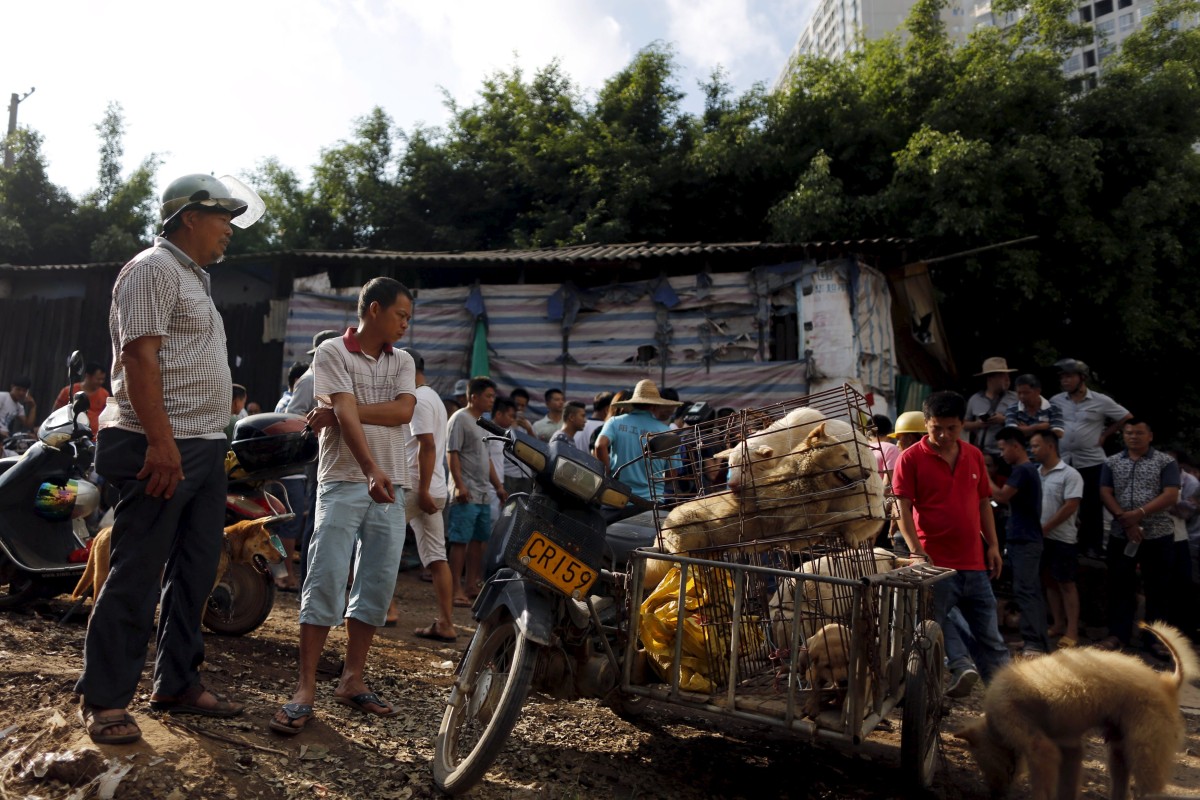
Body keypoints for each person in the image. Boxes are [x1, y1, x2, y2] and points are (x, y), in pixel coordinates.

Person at [76, 174, 258, 745]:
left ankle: (177, 681)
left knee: (197, 571)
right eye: (221, 217)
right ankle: (104, 699)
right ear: (188, 218)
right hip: (161, 443)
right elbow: (139, 357)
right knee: (137, 569)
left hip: (203, 444)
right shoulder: (151, 268)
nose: (229, 228)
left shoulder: (194, 279)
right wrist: (160, 442)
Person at [271, 277, 417, 735]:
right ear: (374, 310)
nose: (406, 325)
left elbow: (404, 413)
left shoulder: (404, 360)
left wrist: (344, 411)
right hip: (345, 480)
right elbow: (374, 410)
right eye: (401, 315)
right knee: (326, 576)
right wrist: (369, 464)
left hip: (393, 485)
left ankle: (352, 679)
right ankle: (306, 687)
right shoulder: (332, 351)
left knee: (375, 582)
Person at [891, 391, 1009, 697]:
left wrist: (993, 546)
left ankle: (1010, 701)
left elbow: (984, 502)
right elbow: (901, 508)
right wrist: (916, 551)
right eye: (936, 428)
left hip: (975, 564)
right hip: (935, 566)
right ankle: (926, 698)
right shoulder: (910, 458)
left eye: (951, 428)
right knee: (930, 634)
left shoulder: (973, 455)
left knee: (991, 639)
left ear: (962, 426)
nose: (943, 435)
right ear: (927, 424)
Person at [384, 348, 456, 643]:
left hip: (416, 488)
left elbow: (427, 445)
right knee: (437, 557)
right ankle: (447, 623)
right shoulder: (433, 397)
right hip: (429, 488)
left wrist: (423, 490)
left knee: (380, 544)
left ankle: (387, 610)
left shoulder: (420, 400)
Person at [1096, 418, 1181, 653]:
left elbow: (1171, 494)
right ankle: (1117, 635)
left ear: (1150, 436)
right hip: (1121, 532)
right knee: (1120, 585)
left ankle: (1155, 639)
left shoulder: (1165, 462)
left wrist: (1139, 513)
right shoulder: (1112, 462)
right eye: (1129, 433)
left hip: (1157, 534)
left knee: (1158, 588)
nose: (1134, 437)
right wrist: (1125, 518)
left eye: (1139, 433)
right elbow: (1105, 491)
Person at [1051, 358, 1132, 558]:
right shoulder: (1056, 400)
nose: (1065, 381)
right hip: (1065, 459)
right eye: (1062, 377)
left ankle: (1093, 546)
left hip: (1091, 460)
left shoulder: (1100, 400)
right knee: (1062, 502)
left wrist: (1106, 434)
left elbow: (1126, 417)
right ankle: (1066, 542)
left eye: (1069, 376)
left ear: (1082, 378)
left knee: (1091, 504)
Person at [446, 377, 508, 608]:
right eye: (488, 396)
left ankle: (471, 584)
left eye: (493, 396)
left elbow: (487, 458)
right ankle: (455, 589)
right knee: (460, 541)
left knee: (479, 540)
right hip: (466, 491)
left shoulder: (483, 422)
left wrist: (498, 486)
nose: (492, 400)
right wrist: (459, 485)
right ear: (473, 397)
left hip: (483, 492)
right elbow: (452, 454)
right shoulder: (459, 418)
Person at [287, 330, 341, 586]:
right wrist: (316, 426)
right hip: (317, 460)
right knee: (316, 520)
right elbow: (292, 416)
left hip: (331, 458)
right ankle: (308, 579)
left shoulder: (330, 376)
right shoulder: (310, 379)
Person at [992, 427, 1049, 655]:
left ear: (1016, 446)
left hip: (1025, 540)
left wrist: (980, 474)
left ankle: (1035, 644)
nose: (1002, 454)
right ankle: (1034, 640)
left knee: (1026, 591)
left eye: (1003, 448)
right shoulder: (1027, 470)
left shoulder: (1022, 470)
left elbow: (1001, 496)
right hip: (1025, 539)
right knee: (1029, 590)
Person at [1029, 429, 1083, 648]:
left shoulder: (1070, 474)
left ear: (1050, 446)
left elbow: (1071, 506)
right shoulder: (1035, 472)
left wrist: (1046, 527)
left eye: (1036, 446)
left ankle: (1072, 630)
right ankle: (1058, 624)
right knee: (1049, 581)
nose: (1032, 450)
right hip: (1040, 538)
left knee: (1066, 583)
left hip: (1062, 538)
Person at [595, 380, 681, 501]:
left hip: (617, 498)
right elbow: (672, 474)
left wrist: (607, 473)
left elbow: (600, 445)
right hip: (652, 501)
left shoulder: (615, 422)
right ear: (655, 405)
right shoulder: (667, 432)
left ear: (633, 403)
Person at [962, 357, 1018, 458]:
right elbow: (964, 424)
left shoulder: (1016, 398)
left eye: (1007, 375)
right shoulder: (975, 399)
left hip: (1009, 455)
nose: (1007, 379)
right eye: (1002, 375)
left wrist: (1004, 420)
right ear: (990, 378)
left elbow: (1026, 421)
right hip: (982, 454)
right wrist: (978, 424)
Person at [53, 362, 110, 438]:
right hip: (69, 436)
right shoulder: (69, 391)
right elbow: (55, 412)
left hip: (93, 438)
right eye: (98, 379)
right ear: (88, 376)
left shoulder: (105, 394)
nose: (101, 382)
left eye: (102, 379)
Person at [1004, 374, 1064, 442]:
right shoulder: (1012, 409)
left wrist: (1024, 430)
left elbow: (1058, 433)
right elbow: (1010, 434)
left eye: (1026, 393)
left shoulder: (1053, 408)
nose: (1022, 396)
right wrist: (1038, 427)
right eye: (1019, 393)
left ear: (1038, 391)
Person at [496, 397, 534, 496]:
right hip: (510, 473)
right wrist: (513, 426)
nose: (520, 408)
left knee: (524, 507)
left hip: (525, 473)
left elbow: (535, 445)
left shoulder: (526, 424)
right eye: (518, 405)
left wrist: (529, 429)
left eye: (523, 406)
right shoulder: (504, 424)